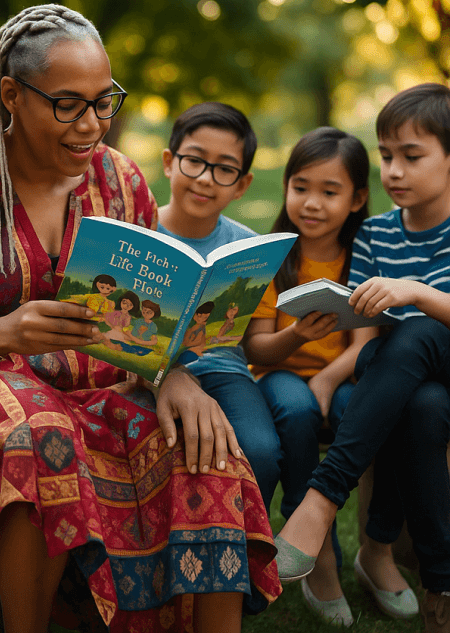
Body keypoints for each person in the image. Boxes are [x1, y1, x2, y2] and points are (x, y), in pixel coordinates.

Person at [0, 4, 280, 633]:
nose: (92, 124)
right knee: (41, 434)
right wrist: (2, 332)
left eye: (105, 102)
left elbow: (156, 321)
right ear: (11, 95)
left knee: (208, 444)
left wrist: (174, 377)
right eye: (68, 104)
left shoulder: (121, 181)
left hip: (102, 380)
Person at [273, 83, 450, 633]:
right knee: (421, 405)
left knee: (417, 329)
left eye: (411, 156)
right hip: (403, 379)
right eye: (387, 156)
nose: (394, 171)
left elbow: (414, 318)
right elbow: (369, 341)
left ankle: (323, 497)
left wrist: (415, 292)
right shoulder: (373, 233)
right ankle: (439, 583)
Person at [241, 127, 415, 626]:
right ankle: (319, 560)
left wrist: (327, 380)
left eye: (329, 191)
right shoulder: (274, 257)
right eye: (301, 187)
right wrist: (298, 337)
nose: (312, 203)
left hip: (345, 376)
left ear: (358, 197)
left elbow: (365, 344)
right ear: (286, 187)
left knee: (373, 414)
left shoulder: (365, 254)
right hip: (279, 375)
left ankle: (375, 548)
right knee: (295, 411)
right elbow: (258, 347)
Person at [158, 102, 283, 522]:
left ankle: (246, 567)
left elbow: (255, 340)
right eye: (194, 161)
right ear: (168, 163)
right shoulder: (138, 230)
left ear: (242, 184)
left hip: (223, 369)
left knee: (260, 450)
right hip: (146, 371)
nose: (206, 179)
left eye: (224, 169)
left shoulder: (248, 247)